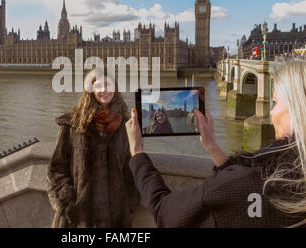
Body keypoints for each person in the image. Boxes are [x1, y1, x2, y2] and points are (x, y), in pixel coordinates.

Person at [125, 58, 306, 227]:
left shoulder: (247, 185)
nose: (271, 112)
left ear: (297, 109)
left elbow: (166, 213)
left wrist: (137, 152)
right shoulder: (295, 179)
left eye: (275, 102)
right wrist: (212, 145)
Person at [47, 67, 140, 227]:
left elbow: (130, 168)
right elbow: (56, 169)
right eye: (98, 86)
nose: (104, 90)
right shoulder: (73, 123)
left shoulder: (125, 125)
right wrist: (67, 203)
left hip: (116, 218)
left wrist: (130, 202)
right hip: (78, 218)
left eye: (108, 84)